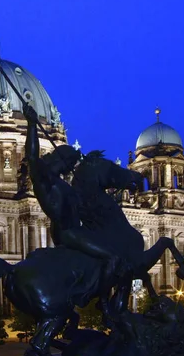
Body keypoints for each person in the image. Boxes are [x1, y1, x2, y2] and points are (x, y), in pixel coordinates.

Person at [24, 105, 127, 307]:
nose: (69, 166)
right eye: (69, 161)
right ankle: (101, 301)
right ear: (60, 160)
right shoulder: (45, 182)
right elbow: (32, 158)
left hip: (77, 230)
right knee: (113, 257)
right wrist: (31, 126)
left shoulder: (64, 185)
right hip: (68, 233)